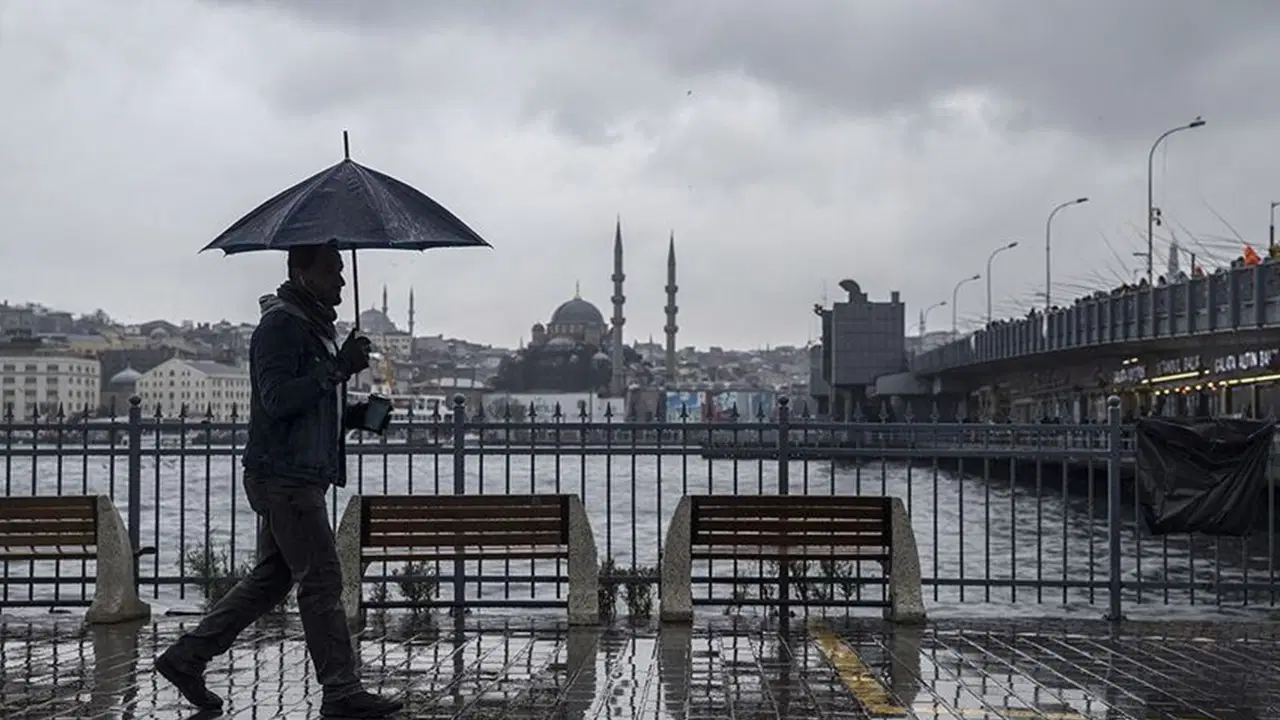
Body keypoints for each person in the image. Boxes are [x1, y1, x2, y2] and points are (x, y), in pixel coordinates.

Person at [155, 244, 403, 718]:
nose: (341, 281)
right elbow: (277, 399)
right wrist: (339, 368)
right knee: (322, 578)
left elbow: (312, 404)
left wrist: (359, 416)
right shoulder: (280, 326)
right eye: (331, 271)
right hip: (284, 476)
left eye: (341, 271)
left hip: (299, 474)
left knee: (273, 579)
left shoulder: (313, 328)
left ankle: (186, 658)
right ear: (301, 273)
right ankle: (340, 690)